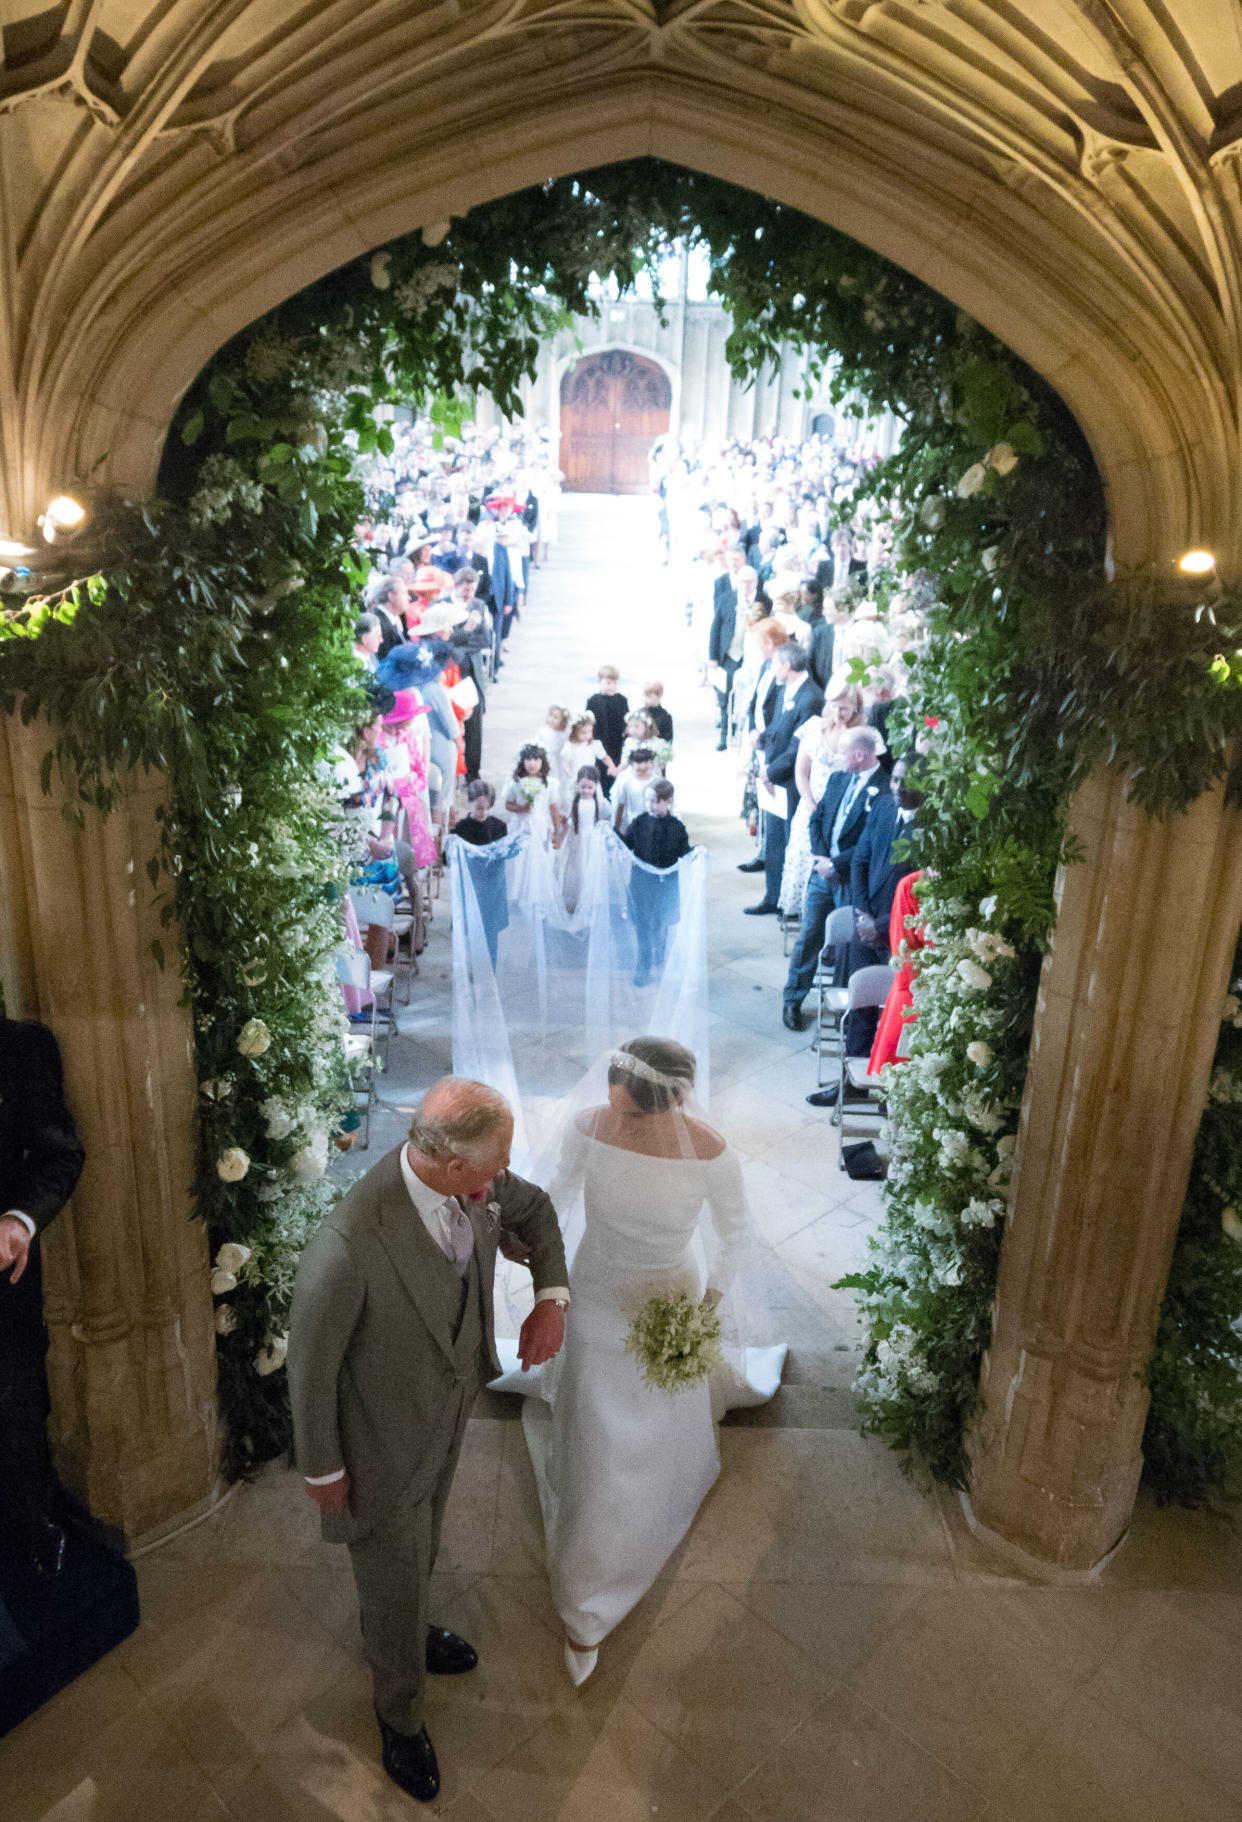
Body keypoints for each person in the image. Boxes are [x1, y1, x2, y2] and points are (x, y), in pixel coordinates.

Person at [289, 1080, 568, 1804]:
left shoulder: (474, 1182)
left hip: (446, 1410)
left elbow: (533, 1212)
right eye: (492, 1166)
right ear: (447, 1167)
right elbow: (310, 1371)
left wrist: (550, 1298)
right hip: (379, 1439)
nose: (500, 1178)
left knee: (420, 1548)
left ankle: (405, 1628)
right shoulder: (348, 1247)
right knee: (391, 1562)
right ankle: (399, 1712)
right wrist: (323, 1471)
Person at [515, 1037, 781, 1685]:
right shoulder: (588, 1127)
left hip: (668, 1296)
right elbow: (553, 1199)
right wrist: (537, 1263)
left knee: (657, 1418)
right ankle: (587, 1599)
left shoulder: (713, 1154)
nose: (618, 1122)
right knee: (601, 1440)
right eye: (613, 1107)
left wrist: (707, 1307)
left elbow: (738, 1234)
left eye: (632, 1114)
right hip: (597, 1289)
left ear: (672, 1103)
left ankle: (654, 1498)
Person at [0, 1015, 86, 1577]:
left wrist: (21, 1220)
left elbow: (61, 1155)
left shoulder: (22, 1048)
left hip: (1, 1268)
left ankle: (36, 1520)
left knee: (17, 1396)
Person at [782, 725, 890, 1032]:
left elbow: (871, 842)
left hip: (851, 877)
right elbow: (818, 817)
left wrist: (836, 864)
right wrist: (820, 858)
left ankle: (845, 1011)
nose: (836, 757)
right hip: (822, 873)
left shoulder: (883, 790)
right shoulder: (838, 778)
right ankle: (793, 999)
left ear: (859, 754)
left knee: (847, 946)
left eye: (842, 752)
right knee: (810, 935)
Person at [744, 644, 825, 916]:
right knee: (774, 838)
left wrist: (771, 771)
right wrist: (761, 741)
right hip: (773, 774)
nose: (772, 668)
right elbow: (778, 729)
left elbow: (798, 747)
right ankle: (772, 896)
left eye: (775, 664)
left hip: (791, 781)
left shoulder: (811, 698)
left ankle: (786, 903)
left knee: (788, 839)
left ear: (787, 666)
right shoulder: (784, 690)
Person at [778, 679, 863, 919]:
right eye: (835, 707)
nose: (839, 713)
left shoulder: (860, 734)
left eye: (844, 708)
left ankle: (827, 917)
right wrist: (810, 802)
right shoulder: (815, 728)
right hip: (811, 804)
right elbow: (801, 771)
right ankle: (801, 913)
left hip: (841, 810)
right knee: (804, 860)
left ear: (855, 707)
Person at [621, 778, 691, 986]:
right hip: (642, 884)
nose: (650, 806)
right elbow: (626, 845)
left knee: (661, 922)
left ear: (668, 801)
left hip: (664, 884)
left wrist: (696, 854)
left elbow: (683, 852)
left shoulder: (677, 827)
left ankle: (660, 948)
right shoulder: (640, 822)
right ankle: (644, 964)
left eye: (655, 801)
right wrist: (612, 835)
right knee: (642, 924)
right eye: (648, 801)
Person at [450, 782, 510, 964]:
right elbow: (451, 861)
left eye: (486, 808)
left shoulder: (499, 827)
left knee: (490, 931)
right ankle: (470, 965)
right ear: (470, 804)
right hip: (471, 886)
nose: (482, 812)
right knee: (469, 930)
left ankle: (490, 967)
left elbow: (503, 856)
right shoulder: (461, 829)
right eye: (478, 808)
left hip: (492, 887)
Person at [556, 766, 603, 915]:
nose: (586, 791)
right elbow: (567, 822)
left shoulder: (600, 803)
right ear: (577, 785)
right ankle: (574, 900)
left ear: (596, 786)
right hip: (576, 840)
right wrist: (559, 838)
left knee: (589, 869)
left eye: (590, 787)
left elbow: (604, 821)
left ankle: (588, 900)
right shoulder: (573, 803)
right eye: (583, 787)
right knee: (576, 869)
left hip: (592, 842)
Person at [504, 744, 563, 848]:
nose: (532, 763)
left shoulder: (550, 783)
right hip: (520, 826)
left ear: (542, 761)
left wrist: (557, 832)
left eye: (536, 759)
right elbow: (508, 805)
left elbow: (553, 809)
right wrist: (521, 808)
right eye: (528, 759)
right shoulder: (515, 782)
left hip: (540, 826)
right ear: (522, 761)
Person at [585, 667, 629, 798]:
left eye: (615, 683)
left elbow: (626, 723)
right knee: (599, 775)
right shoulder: (593, 701)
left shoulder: (622, 700)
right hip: (599, 744)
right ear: (599, 681)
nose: (612, 686)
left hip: (617, 745)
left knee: (615, 774)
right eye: (609, 683)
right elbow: (588, 723)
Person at [611, 744, 657, 835]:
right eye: (639, 763)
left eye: (646, 762)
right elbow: (620, 806)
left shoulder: (656, 781)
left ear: (652, 763)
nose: (643, 766)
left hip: (653, 823)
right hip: (632, 822)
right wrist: (617, 827)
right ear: (632, 764)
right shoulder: (626, 782)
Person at [643, 681, 673, 746]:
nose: (646, 698)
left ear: (659, 695)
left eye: (649, 696)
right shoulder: (640, 713)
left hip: (657, 751)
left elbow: (668, 740)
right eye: (645, 695)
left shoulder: (666, 716)